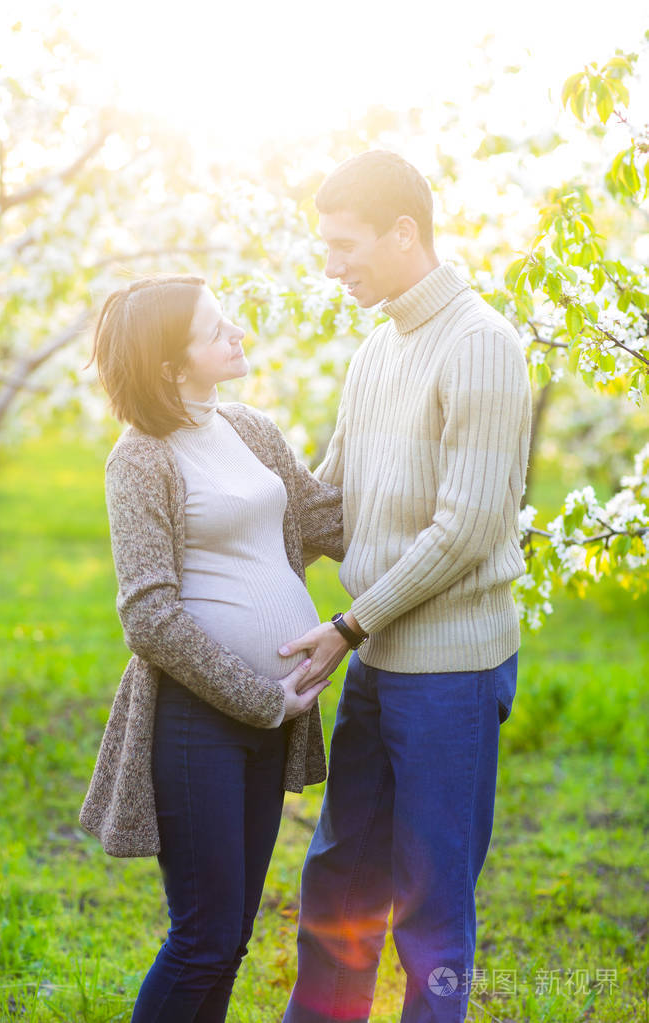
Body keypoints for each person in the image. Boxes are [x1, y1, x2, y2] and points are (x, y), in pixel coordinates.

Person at [280, 151, 532, 1023]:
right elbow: (334, 497)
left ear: (403, 233)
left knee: (430, 898)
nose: (330, 266)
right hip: (380, 657)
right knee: (340, 875)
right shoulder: (377, 349)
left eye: (344, 246)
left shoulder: (482, 347)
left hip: (451, 673)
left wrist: (349, 625)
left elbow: (466, 529)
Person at [79, 274, 343, 1023]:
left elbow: (328, 519)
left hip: (272, 718)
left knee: (230, 939)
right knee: (203, 935)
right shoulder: (139, 461)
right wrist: (265, 697)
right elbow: (149, 615)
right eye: (214, 329)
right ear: (169, 364)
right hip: (199, 723)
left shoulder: (251, 429)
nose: (238, 336)